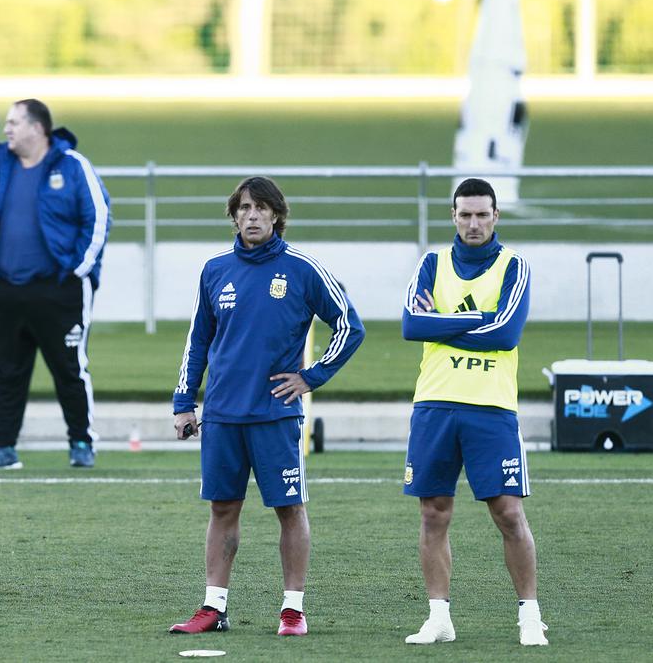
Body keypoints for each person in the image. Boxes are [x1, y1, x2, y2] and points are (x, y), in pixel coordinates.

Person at [168, 177, 364, 636]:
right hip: (221, 414)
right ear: (234, 216)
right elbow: (198, 340)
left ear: (277, 215)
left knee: (289, 508)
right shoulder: (215, 269)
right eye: (243, 208)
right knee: (222, 509)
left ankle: (292, 610)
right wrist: (184, 401)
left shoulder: (302, 269)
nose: (251, 216)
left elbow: (349, 327)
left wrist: (311, 376)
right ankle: (213, 608)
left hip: (275, 416)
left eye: (260, 208)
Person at [400, 178, 546, 646]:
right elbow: (410, 324)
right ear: (453, 216)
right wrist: (478, 320)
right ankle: (439, 617)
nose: (474, 223)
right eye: (465, 214)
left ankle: (529, 616)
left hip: (491, 407)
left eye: (483, 214)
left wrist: (442, 323)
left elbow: (506, 334)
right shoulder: (432, 262)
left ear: (496, 216)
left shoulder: (513, 265)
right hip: (435, 403)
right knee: (433, 513)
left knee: (507, 513)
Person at [0, 98, 110, 469]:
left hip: (60, 290)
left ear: (37, 128)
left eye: (14, 122)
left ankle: (81, 442)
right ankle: (3, 446)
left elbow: (97, 217)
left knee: (69, 369)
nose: (7, 129)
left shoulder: (73, 166)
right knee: (9, 371)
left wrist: (78, 269)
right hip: (7, 289)